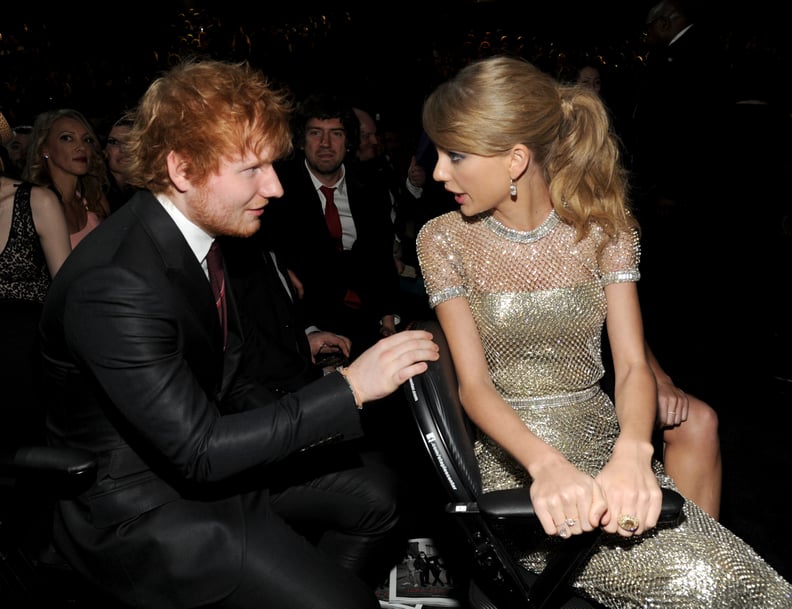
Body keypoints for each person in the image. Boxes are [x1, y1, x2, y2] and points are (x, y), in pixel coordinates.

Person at [38, 57, 439, 609]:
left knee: (380, 495)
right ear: (182, 170)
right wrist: (349, 388)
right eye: (252, 169)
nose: (274, 186)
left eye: (274, 166)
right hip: (142, 507)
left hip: (208, 465)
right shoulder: (115, 283)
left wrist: (325, 408)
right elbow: (200, 452)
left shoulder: (201, 235)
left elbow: (230, 381)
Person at [415, 55, 792, 607]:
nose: (439, 172)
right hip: (514, 457)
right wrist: (544, 466)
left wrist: (635, 452)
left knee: (748, 582)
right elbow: (475, 387)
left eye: (455, 155)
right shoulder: (442, 240)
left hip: (603, 438)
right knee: (720, 585)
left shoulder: (606, 231)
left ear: (516, 159)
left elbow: (634, 366)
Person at [262, 93, 401, 358]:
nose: (325, 143)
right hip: (305, 322)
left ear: (348, 141)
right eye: (315, 133)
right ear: (302, 140)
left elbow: (381, 257)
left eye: (336, 133)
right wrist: (307, 330)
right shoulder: (277, 192)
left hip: (368, 320)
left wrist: (387, 318)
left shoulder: (371, 187)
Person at [23, 108, 110, 248]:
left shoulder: (95, 200)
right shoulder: (35, 206)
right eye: (67, 138)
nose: (81, 147)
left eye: (87, 140)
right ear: (44, 148)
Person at [103, 115, 138, 213]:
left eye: (129, 141)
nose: (123, 149)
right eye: (113, 142)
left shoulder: (150, 189)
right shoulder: (95, 194)